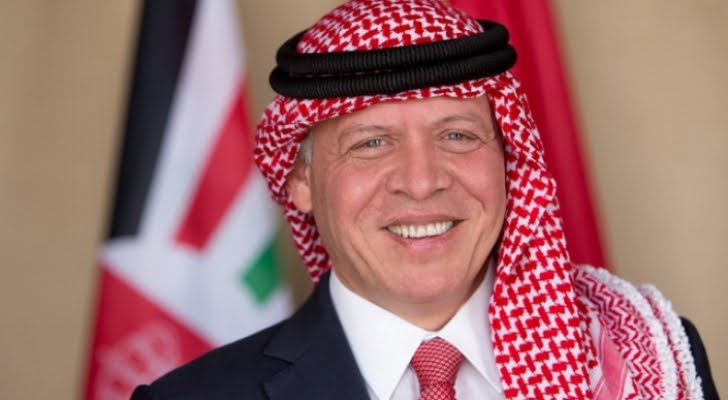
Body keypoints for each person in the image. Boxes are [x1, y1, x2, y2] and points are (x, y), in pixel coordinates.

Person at [131, 0, 718, 399]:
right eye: (371, 143)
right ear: (300, 181)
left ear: (509, 160)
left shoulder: (641, 356)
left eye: (457, 136)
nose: (421, 181)